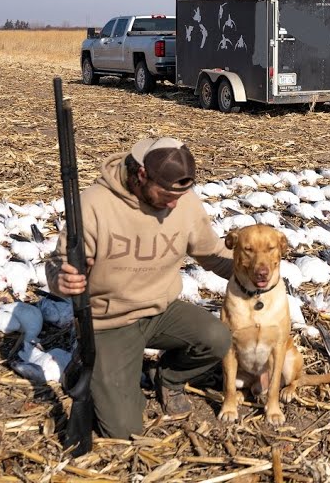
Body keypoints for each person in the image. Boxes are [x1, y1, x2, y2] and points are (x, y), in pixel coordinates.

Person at [49, 137, 233, 439]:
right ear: (142, 175)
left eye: (180, 195)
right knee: (123, 431)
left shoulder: (183, 201)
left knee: (217, 337)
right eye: (167, 195)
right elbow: (58, 266)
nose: (174, 204)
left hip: (161, 311)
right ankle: (90, 363)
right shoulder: (94, 205)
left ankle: (169, 378)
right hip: (109, 322)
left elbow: (211, 253)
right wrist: (63, 280)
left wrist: (252, 271)